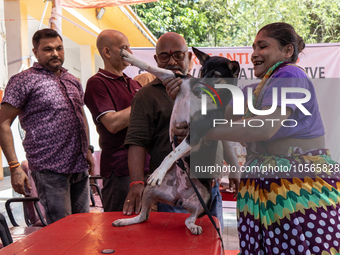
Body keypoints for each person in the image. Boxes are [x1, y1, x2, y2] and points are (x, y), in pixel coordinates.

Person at [202, 22, 340, 254]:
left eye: (263, 46)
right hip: (266, 186)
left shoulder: (290, 74)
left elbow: (261, 129)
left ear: (287, 51)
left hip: (296, 188)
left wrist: (202, 131)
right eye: (253, 47)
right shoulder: (257, 90)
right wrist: (186, 90)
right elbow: (216, 111)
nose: (254, 53)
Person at [124, 32, 230, 231]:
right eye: (164, 56)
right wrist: (137, 183)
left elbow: (219, 131)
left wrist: (233, 169)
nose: (172, 61)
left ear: (190, 58)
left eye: (178, 55)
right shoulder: (146, 95)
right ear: (156, 60)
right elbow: (136, 141)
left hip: (210, 185)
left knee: (212, 242)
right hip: (175, 188)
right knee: (179, 247)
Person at [0, 28, 94, 224]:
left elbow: (81, 116)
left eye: (59, 48)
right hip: (50, 170)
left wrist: (88, 151)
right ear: (35, 52)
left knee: (84, 227)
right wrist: (15, 166)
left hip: (79, 167)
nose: (55, 53)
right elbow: (3, 122)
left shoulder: (72, 80)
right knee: (61, 232)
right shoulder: (23, 80)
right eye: (48, 49)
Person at [84, 29, 148, 212]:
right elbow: (112, 123)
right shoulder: (97, 83)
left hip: (146, 167)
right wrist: (144, 103)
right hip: (120, 170)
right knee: (121, 226)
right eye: (124, 48)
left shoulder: (134, 83)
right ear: (107, 52)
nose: (130, 54)